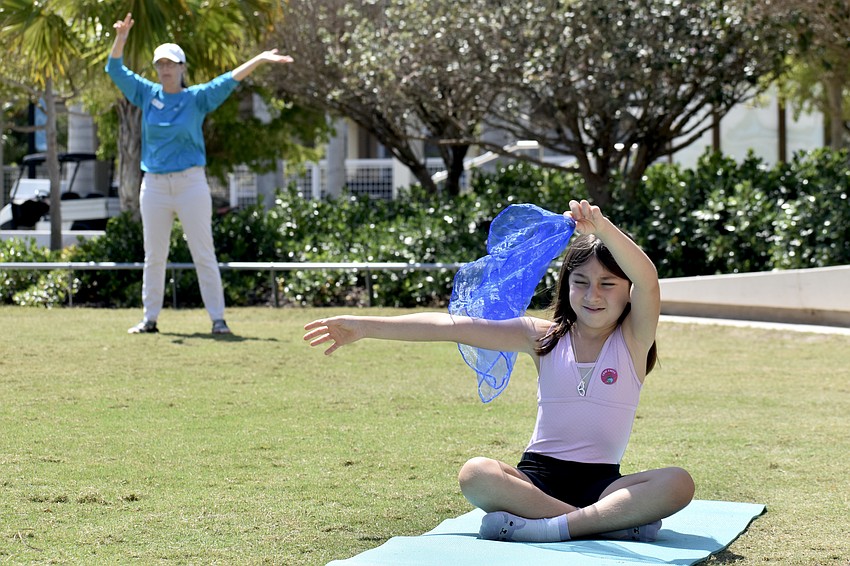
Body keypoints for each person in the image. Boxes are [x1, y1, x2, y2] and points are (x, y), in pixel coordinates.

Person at [303, 199, 695, 542]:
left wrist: (602, 228)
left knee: (679, 483)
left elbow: (649, 279)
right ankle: (601, 524)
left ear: (627, 292)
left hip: (605, 485)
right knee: (476, 474)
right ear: (566, 285)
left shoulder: (632, 341)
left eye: (608, 283)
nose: (593, 295)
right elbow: (449, 326)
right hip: (534, 482)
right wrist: (364, 326)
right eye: (581, 282)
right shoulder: (541, 337)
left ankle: (550, 528)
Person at [106, 12, 293, 335]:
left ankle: (218, 320)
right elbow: (115, 69)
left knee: (203, 253)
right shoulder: (146, 94)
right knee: (154, 255)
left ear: (182, 68)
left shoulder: (197, 99)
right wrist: (121, 37)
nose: (165, 69)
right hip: (154, 186)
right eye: (161, 64)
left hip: (191, 183)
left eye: (171, 64)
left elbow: (229, 79)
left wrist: (260, 59)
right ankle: (150, 319)